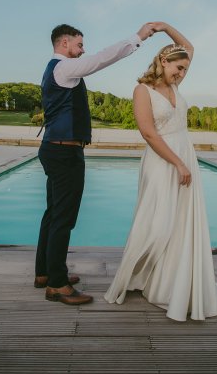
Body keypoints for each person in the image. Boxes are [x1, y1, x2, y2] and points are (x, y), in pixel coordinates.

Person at [104, 22, 217, 321]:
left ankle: (169, 281)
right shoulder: (142, 90)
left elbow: (188, 49)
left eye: (185, 71)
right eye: (177, 68)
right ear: (163, 62)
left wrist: (166, 27)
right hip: (162, 160)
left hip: (184, 154)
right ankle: (136, 277)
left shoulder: (176, 86)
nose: (181, 74)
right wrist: (178, 163)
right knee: (157, 223)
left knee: (180, 222)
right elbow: (149, 133)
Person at [34, 22, 158, 305]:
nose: (83, 49)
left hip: (55, 149)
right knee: (63, 218)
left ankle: (46, 272)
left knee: (53, 214)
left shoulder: (56, 69)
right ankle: (57, 284)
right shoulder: (63, 67)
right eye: (79, 44)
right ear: (64, 44)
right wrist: (137, 37)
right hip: (64, 153)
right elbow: (103, 57)